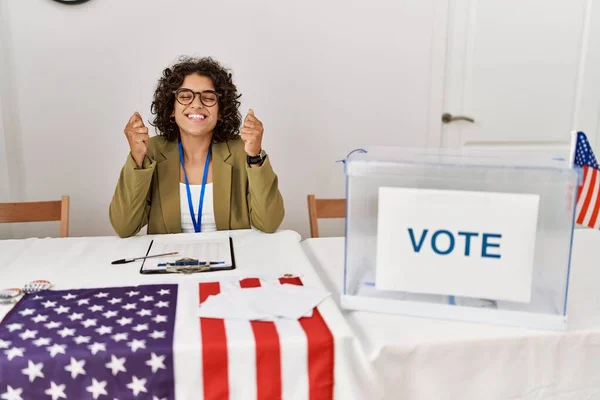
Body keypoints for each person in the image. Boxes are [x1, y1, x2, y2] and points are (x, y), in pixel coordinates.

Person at [109, 56, 285, 238]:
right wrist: (137, 157)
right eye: (185, 96)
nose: (196, 104)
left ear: (221, 112)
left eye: (208, 97)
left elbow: (269, 222)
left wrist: (255, 156)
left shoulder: (242, 151)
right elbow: (124, 227)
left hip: (232, 260)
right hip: (170, 261)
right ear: (171, 109)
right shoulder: (152, 150)